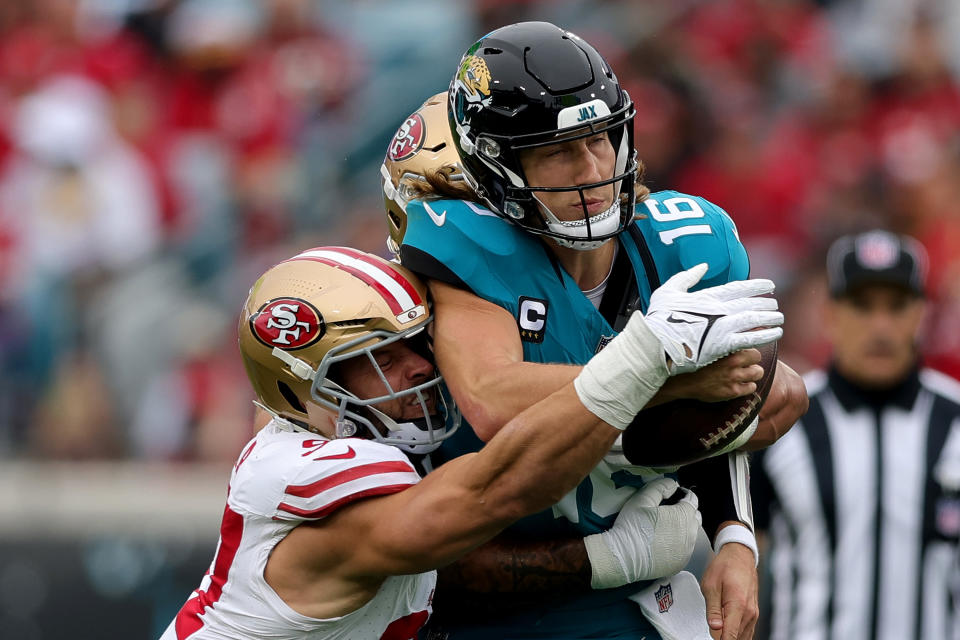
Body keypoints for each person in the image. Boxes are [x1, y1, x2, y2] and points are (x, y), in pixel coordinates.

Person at [384, 22, 809, 640]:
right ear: (494, 168)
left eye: (600, 139)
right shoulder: (460, 248)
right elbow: (493, 398)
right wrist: (658, 376)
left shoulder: (686, 242)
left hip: (625, 602)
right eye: (557, 150)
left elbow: (755, 401)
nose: (589, 169)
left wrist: (735, 535)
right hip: (480, 587)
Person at [159, 246, 783, 639]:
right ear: (307, 384)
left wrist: (734, 527)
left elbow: (786, 397)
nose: (417, 368)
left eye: (417, 344)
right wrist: (641, 361)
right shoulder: (307, 475)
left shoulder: (365, 444)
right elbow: (491, 493)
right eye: (380, 356)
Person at [752, 230, 960, 640]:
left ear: (921, 313)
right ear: (830, 314)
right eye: (861, 306)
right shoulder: (782, 417)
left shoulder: (955, 422)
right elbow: (741, 551)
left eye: (896, 306)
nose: (879, 325)